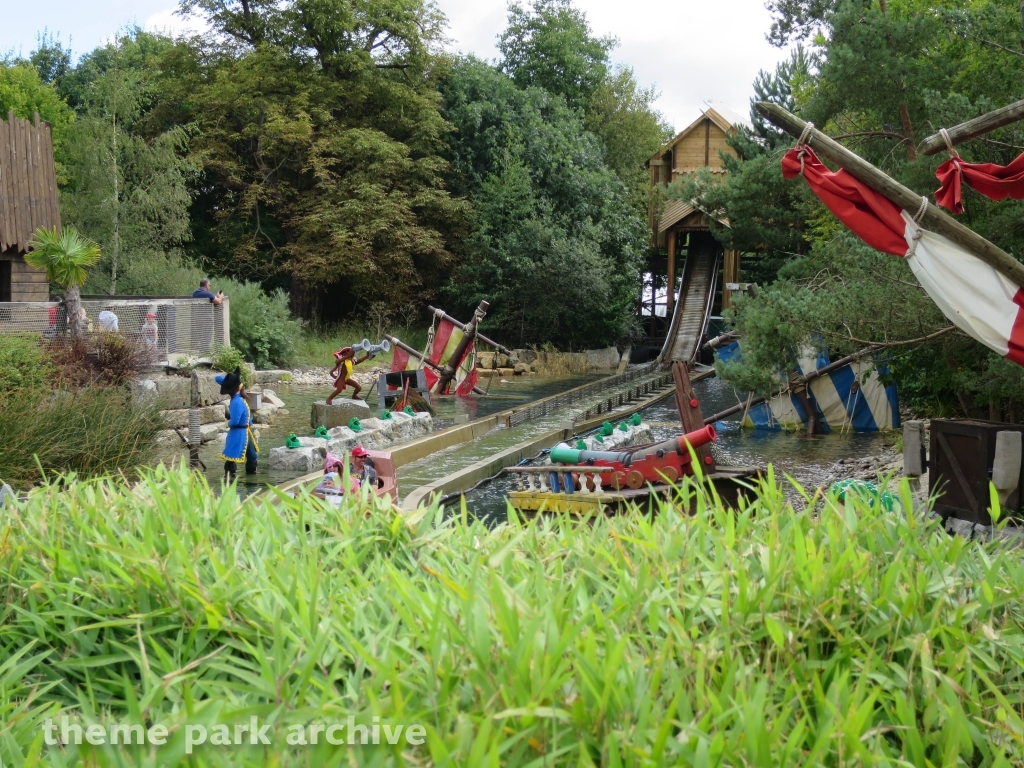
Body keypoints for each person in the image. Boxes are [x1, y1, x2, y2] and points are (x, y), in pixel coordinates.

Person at [217, 367, 259, 483]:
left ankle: (251, 474)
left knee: (251, 454)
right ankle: (230, 476)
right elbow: (235, 421)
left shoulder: (238, 399)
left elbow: (247, 417)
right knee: (232, 455)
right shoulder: (237, 402)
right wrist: (229, 423)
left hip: (246, 431)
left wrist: (253, 427)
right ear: (238, 388)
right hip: (239, 433)